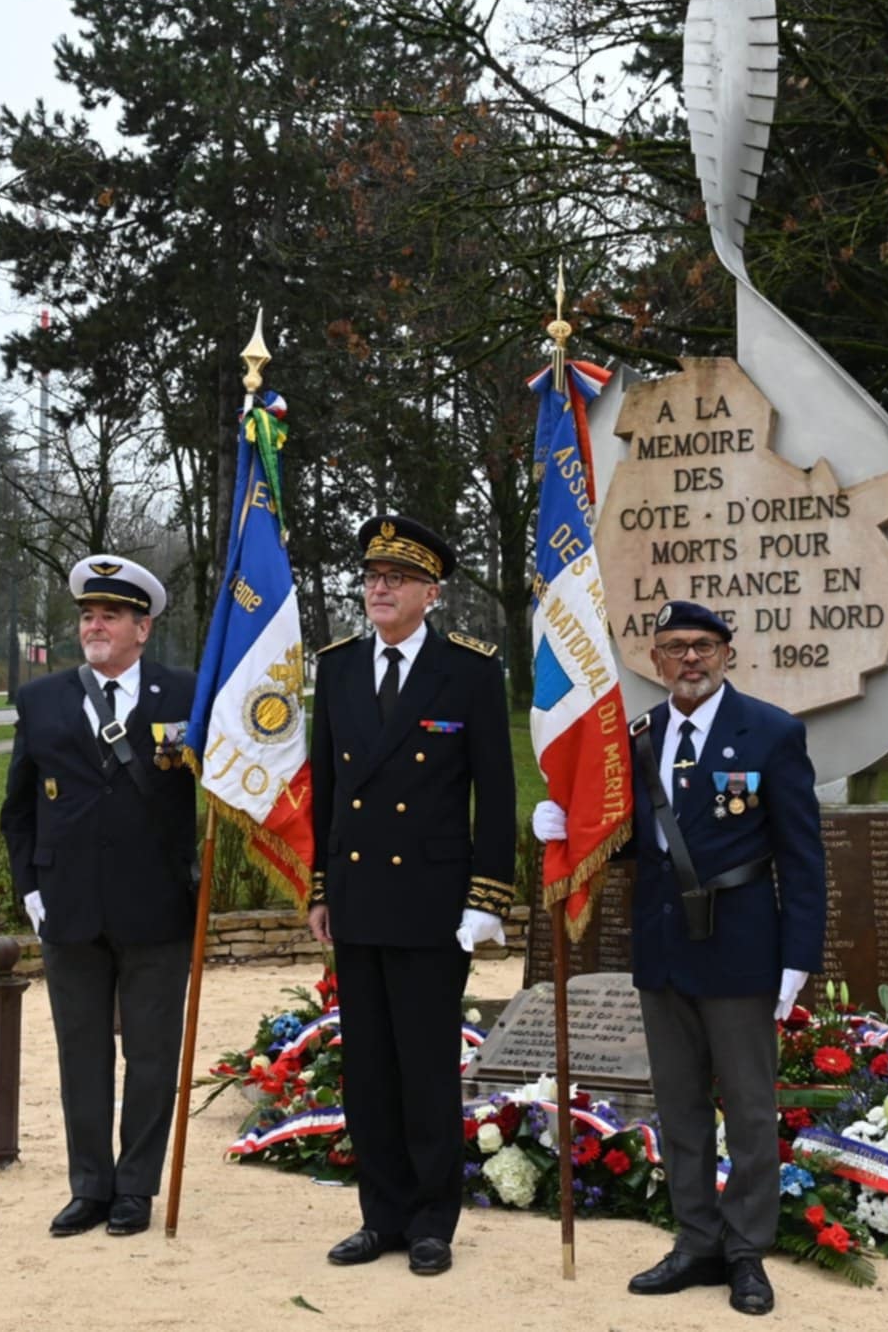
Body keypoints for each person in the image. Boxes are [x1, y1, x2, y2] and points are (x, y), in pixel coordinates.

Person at [532, 600, 826, 1317]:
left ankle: (746, 1249)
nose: (688, 659)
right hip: (663, 947)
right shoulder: (638, 736)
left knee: (751, 1110)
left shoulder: (772, 733)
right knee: (680, 1108)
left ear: (728, 652)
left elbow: (802, 856)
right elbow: (634, 839)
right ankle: (696, 1240)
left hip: (743, 946)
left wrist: (797, 958)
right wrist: (568, 827)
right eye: (672, 648)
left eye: (701, 646)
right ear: (655, 661)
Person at [306, 514, 517, 1278]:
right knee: (367, 1069)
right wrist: (321, 887)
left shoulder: (468, 671)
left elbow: (494, 795)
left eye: (395, 579)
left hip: (433, 902)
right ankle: (381, 1216)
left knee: (425, 1068)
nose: (379, 588)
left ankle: (433, 1221)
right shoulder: (336, 668)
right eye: (371, 577)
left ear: (431, 592)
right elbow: (326, 789)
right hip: (359, 897)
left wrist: (486, 896)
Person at [0, 554, 198, 1240]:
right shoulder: (42, 699)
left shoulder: (187, 695)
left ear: (142, 628)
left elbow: (224, 789)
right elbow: (17, 810)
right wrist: (29, 887)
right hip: (69, 906)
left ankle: (135, 1188)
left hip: (157, 905)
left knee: (150, 1056)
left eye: (110, 616)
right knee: (81, 1053)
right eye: (87, 616)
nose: (95, 626)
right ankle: (90, 1186)